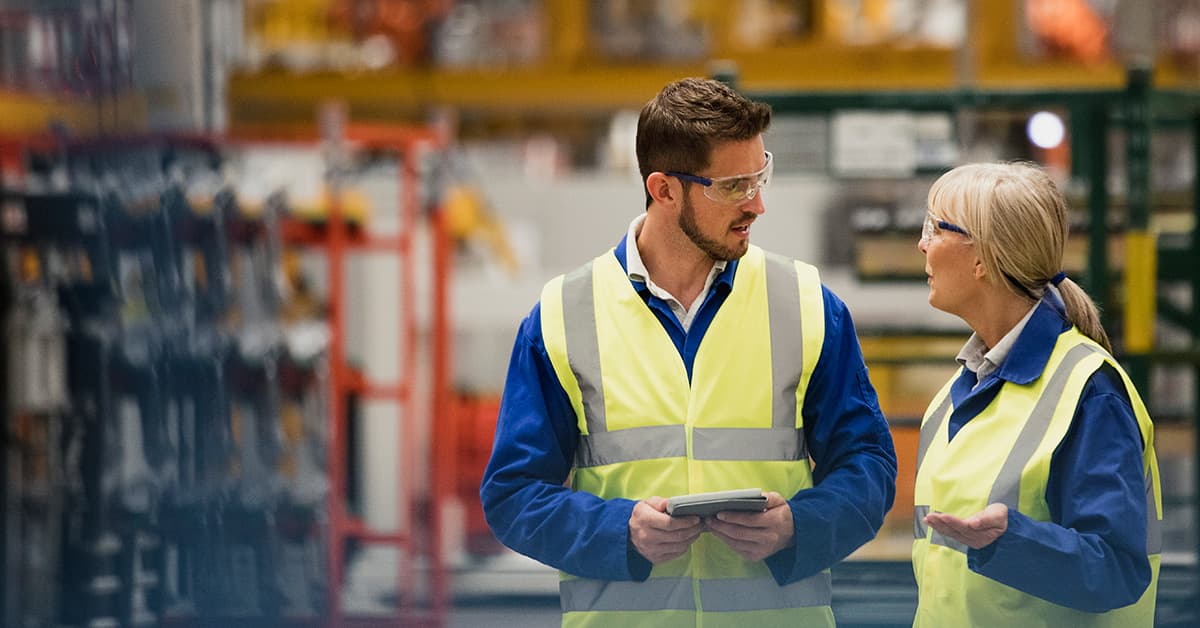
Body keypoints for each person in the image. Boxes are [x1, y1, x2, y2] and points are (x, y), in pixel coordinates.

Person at [480, 77, 897, 628]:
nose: (758, 204)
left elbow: (869, 466)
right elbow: (513, 495)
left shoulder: (806, 305)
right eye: (733, 186)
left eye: (759, 176)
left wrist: (801, 524)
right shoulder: (563, 315)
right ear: (664, 189)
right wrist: (618, 530)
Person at [911, 161, 1163, 626]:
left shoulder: (1089, 391)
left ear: (982, 257)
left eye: (934, 227)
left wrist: (1011, 542)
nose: (921, 243)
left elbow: (1117, 567)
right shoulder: (955, 393)